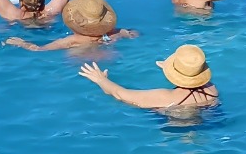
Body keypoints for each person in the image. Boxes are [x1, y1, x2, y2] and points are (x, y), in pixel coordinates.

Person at [79, 44, 219, 111]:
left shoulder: (165, 97)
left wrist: (101, 80)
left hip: (176, 135)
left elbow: (120, 94)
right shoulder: (212, 89)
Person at [5, 0, 135, 51]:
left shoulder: (71, 41)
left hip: (81, 66)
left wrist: (23, 43)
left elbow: (39, 49)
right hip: (109, 57)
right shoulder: (114, 33)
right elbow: (132, 34)